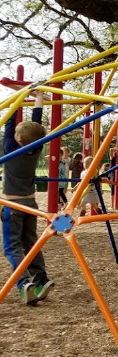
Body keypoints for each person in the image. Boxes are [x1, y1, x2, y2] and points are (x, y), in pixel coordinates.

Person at [1, 91, 54, 305]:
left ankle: (23, 283)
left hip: (12, 205)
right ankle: (41, 279)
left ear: (18, 138)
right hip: (31, 204)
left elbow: (9, 123)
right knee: (30, 243)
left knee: (12, 246)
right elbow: (36, 124)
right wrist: (38, 97)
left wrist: (18, 97)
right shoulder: (37, 147)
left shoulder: (10, 149)